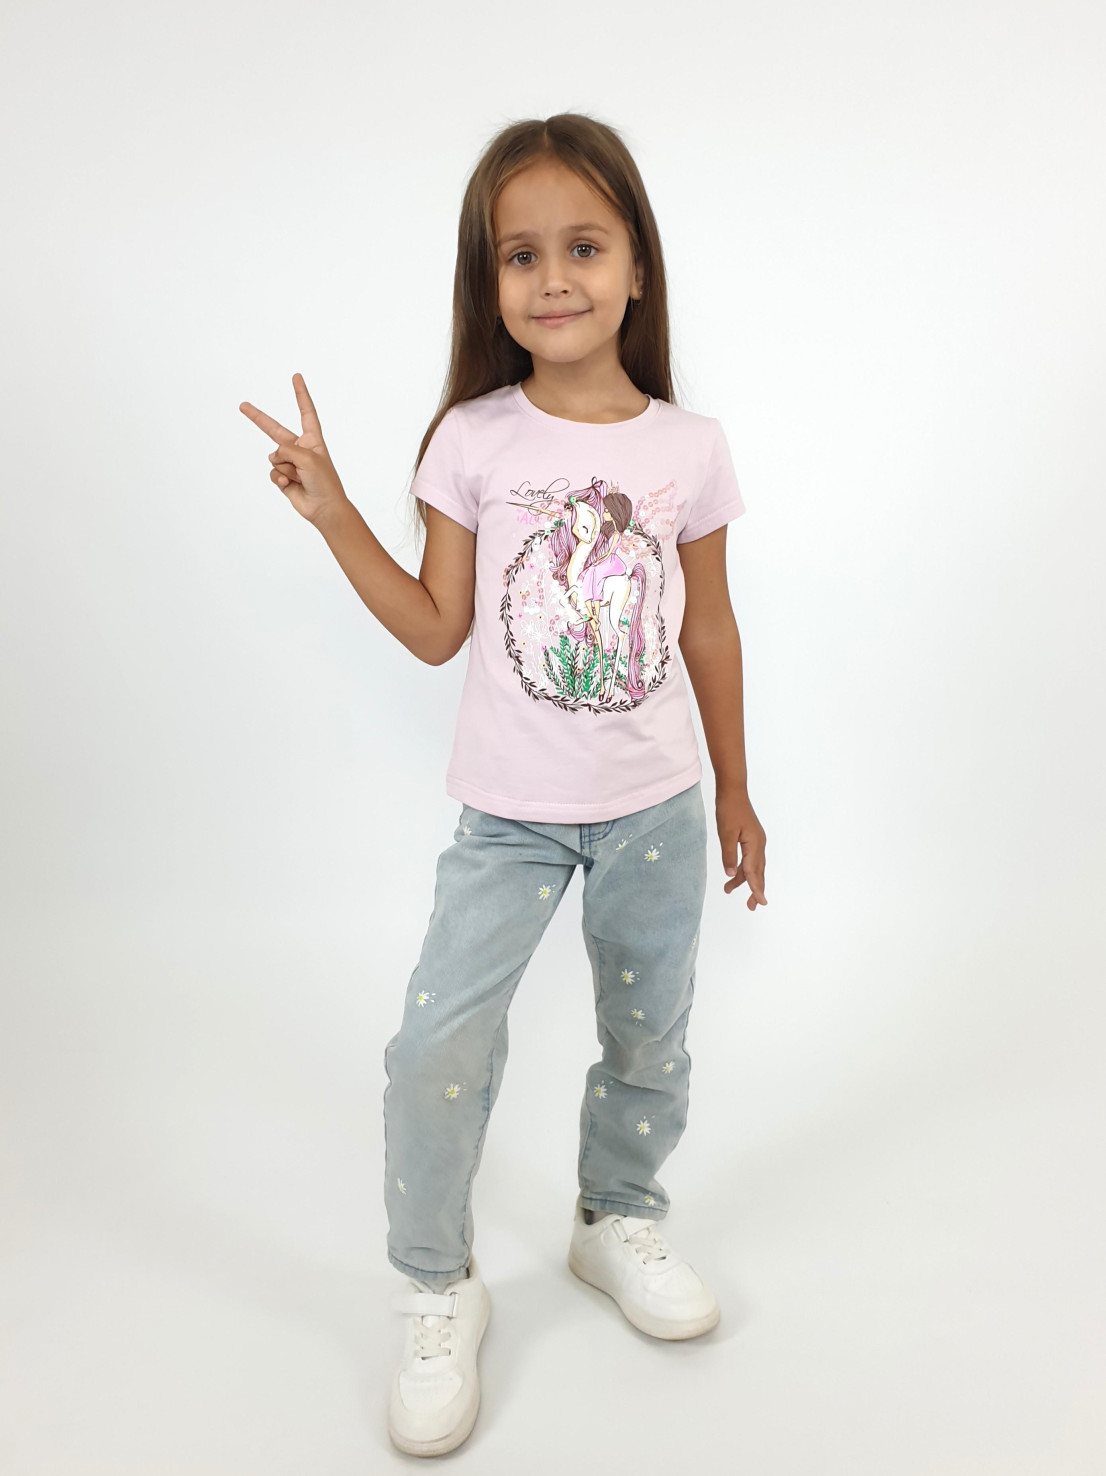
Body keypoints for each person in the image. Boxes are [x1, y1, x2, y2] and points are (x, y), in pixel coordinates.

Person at [239, 111, 768, 1459]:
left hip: (655, 807)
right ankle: (437, 1283)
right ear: (489, 285)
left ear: (636, 267)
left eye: (583, 246)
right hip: (510, 821)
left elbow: (709, 628)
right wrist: (336, 512)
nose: (552, 278)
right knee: (437, 1046)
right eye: (519, 255)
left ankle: (615, 1216)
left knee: (649, 1035)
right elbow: (436, 629)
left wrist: (735, 791)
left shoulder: (690, 447)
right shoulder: (471, 440)